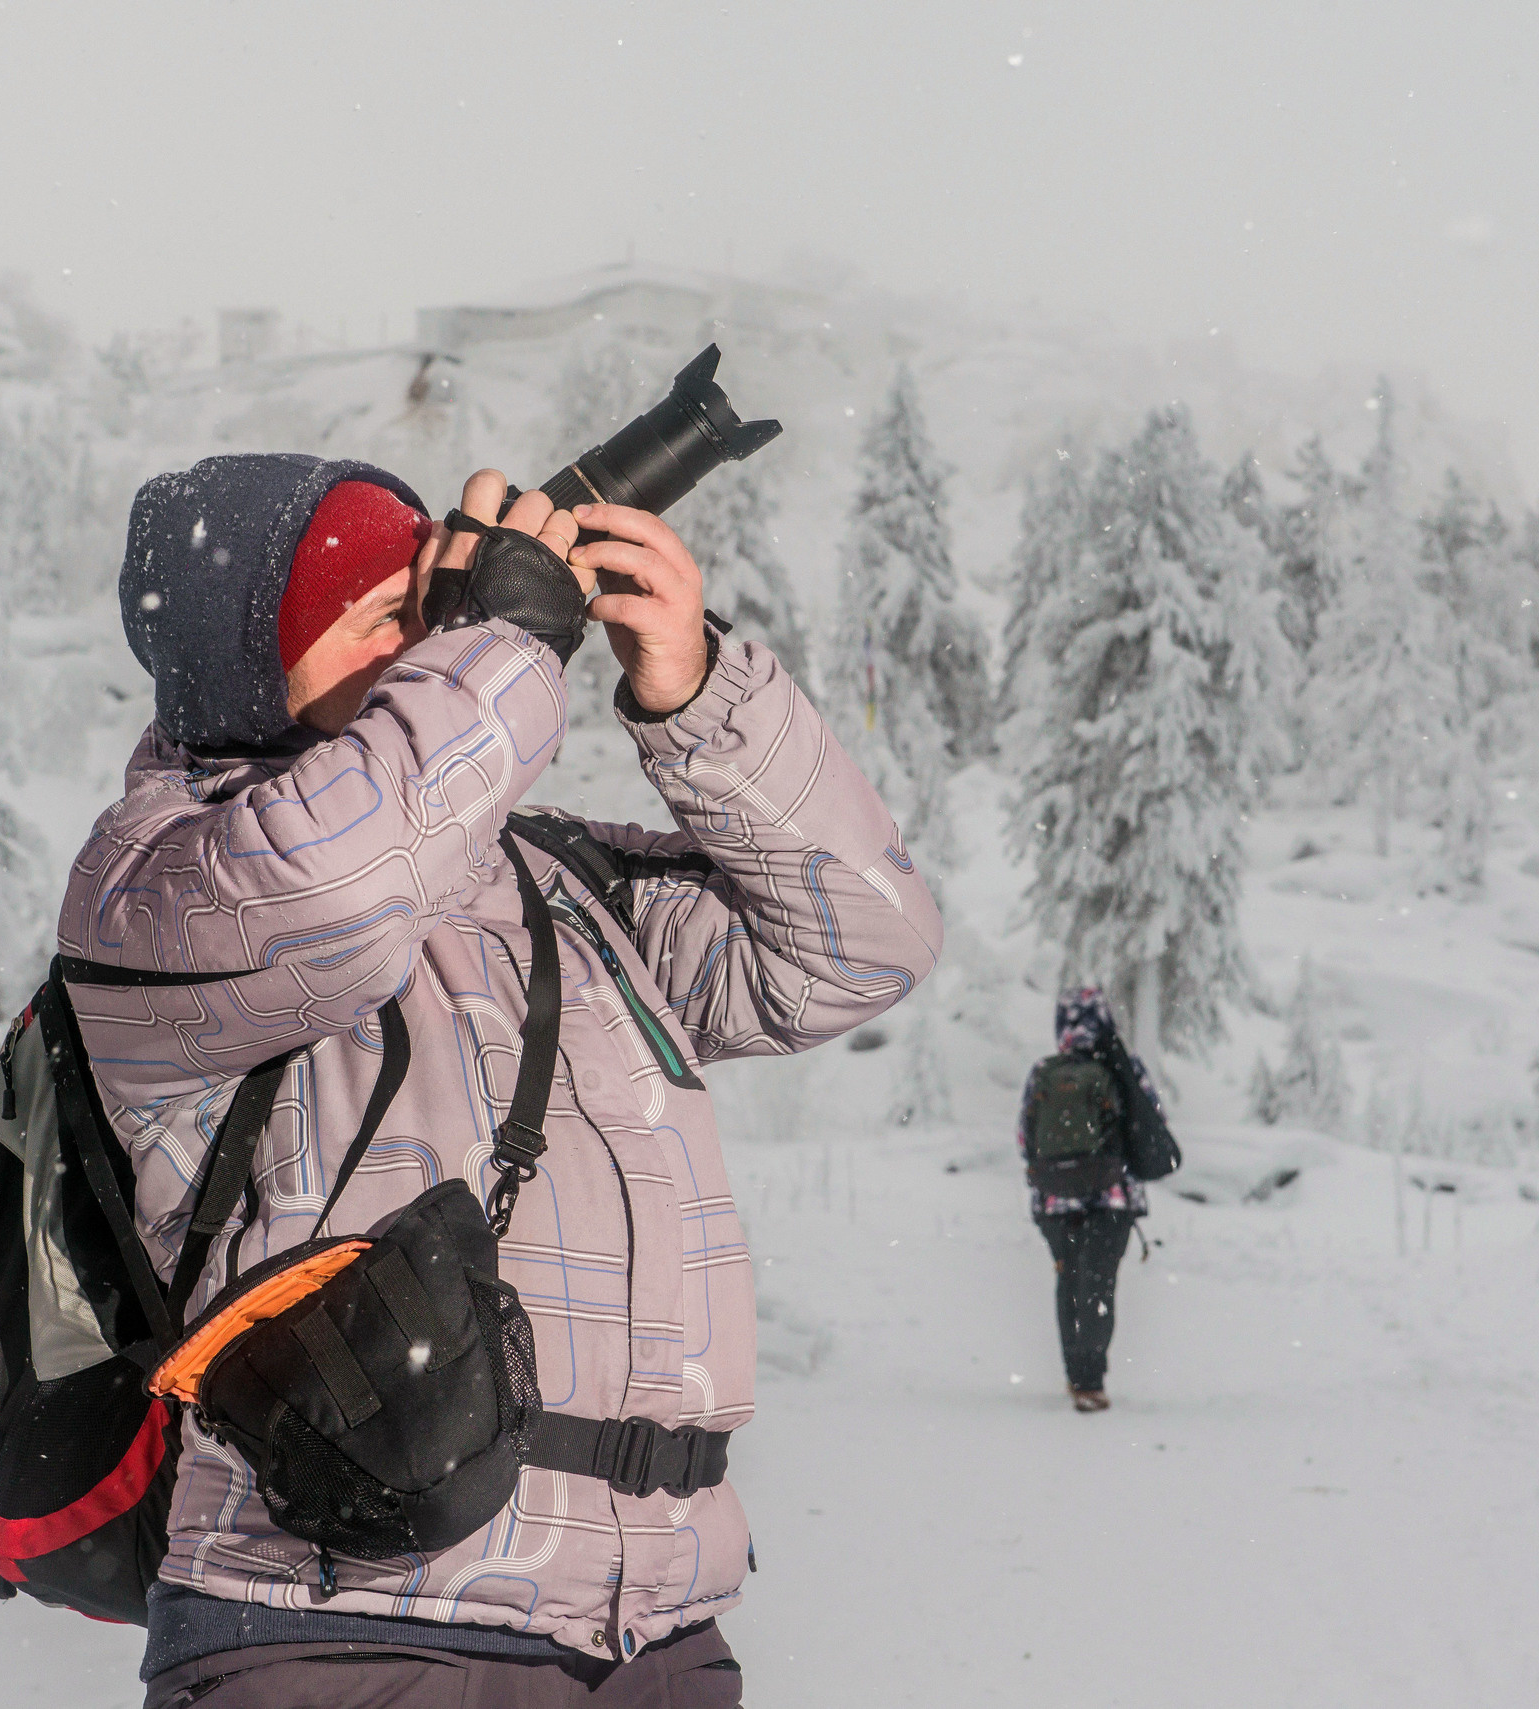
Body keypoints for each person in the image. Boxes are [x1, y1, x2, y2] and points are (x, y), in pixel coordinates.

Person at [60, 453, 940, 1707]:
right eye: (390, 618)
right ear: (252, 660)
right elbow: (336, 891)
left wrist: (693, 696)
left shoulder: (557, 882)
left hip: (654, 1638)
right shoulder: (159, 878)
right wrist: (507, 643)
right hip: (344, 1630)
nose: (432, 644)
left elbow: (861, 943)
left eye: (438, 613)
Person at [1014, 987, 1149, 1413]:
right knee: (1099, 1285)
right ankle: (1092, 1381)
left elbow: (1023, 1137)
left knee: (1069, 1282)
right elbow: (1149, 1130)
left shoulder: (1043, 1072)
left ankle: (1077, 1377)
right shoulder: (1122, 1069)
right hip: (1111, 1198)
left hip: (1055, 1201)